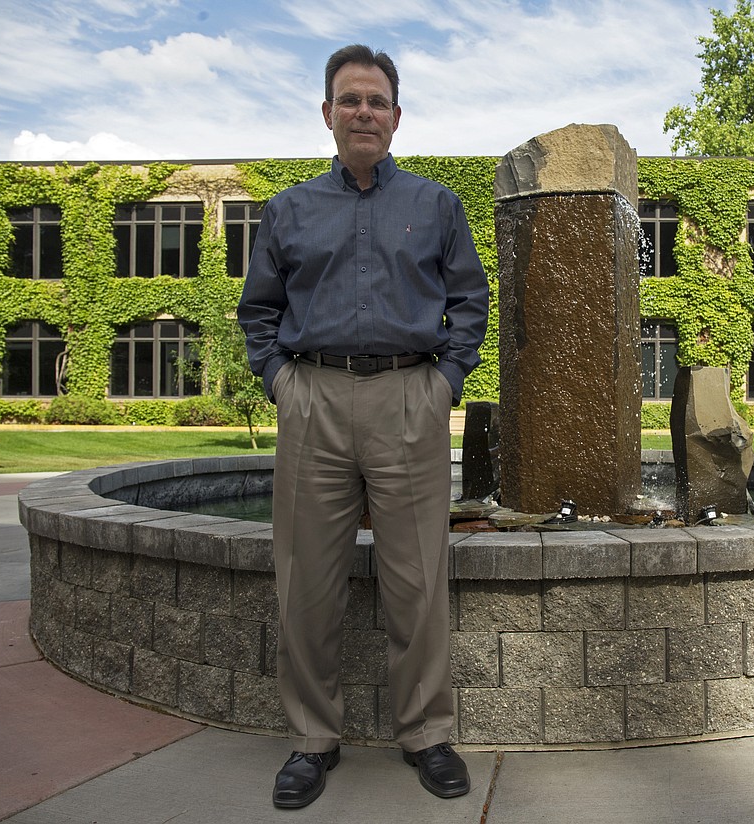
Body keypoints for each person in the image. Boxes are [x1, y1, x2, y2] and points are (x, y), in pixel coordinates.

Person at [237, 44, 489, 809]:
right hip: (311, 398)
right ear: (327, 114)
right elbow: (259, 312)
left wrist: (442, 384)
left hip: (408, 401)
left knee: (416, 582)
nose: (364, 113)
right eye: (350, 100)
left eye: (377, 101)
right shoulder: (288, 210)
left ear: (397, 117)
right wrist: (282, 383)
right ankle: (313, 739)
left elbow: (470, 303)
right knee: (308, 583)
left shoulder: (437, 205)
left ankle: (426, 733)